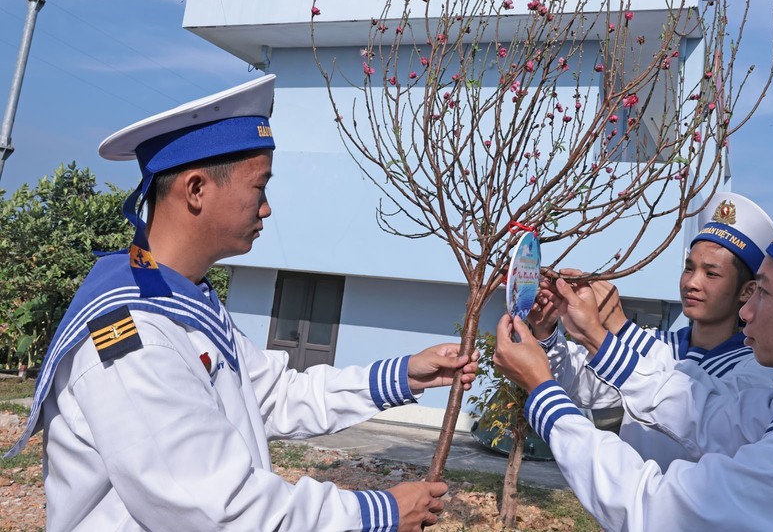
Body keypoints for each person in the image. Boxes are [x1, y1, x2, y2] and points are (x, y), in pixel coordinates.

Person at [5, 75, 477, 531]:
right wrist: (377, 511)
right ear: (196, 190)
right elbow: (218, 508)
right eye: (259, 187)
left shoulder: (185, 304)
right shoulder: (136, 336)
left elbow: (273, 396)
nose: (266, 207)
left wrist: (402, 376)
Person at [494, 171, 773, 530]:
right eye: (690, 268)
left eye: (762, 294)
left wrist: (542, 391)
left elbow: (653, 508)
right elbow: (708, 412)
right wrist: (594, 335)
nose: (748, 312)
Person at [528, 191, 773, 467]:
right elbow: (580, 384)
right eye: (689, 269)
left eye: (711, 274)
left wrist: (620, 328)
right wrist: (546, 330)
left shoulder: (760, 370)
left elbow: (694, 398)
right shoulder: (657, 341)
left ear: (747, 291)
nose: (692, 283)